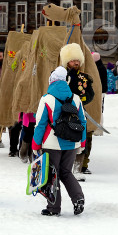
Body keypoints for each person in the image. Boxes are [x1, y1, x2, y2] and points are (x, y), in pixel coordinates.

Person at [32, 66, 86, 216]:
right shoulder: (75, 98)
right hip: (72, 142)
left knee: (52, 175)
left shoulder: (46, 99)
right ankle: (78, 198)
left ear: (51, 81)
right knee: (66, 172)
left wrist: (36, 145)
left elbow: (40, 124)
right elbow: (83, 121)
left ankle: (53, 208)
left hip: (52, 143)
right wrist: (81, 143)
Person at [61, 43, 95, 176]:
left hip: (79, 113)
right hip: (62, 113)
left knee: (82, 137)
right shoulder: (60, 76)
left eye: (77, 60)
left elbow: (90, 95)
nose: (76, 63)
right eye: (72, 60)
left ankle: (79, 166)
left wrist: (79, 102)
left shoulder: (85, 78)